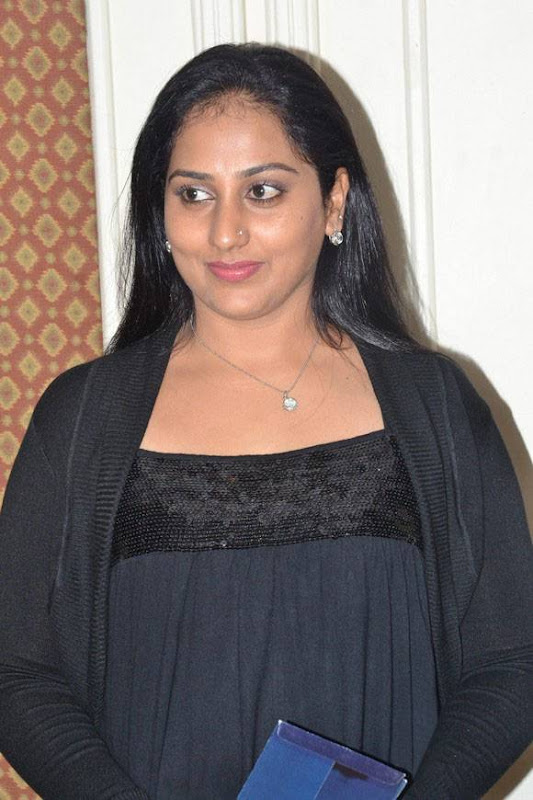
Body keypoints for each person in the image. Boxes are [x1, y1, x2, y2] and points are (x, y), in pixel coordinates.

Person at [0, 42, 531, 800]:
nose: (225, 233)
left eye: (263, 191)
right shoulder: (83, 416)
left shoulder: (435, 405)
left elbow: (511, 662)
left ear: (335, 200)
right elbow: (17, 670)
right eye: (193, 194)